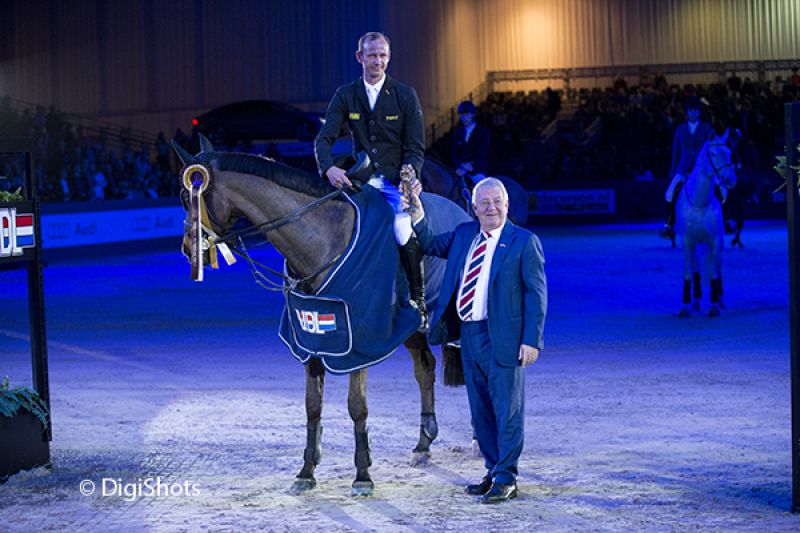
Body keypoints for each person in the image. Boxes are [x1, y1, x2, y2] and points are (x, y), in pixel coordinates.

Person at [402, 177, 547, 504]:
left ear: (507, 206)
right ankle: (493, 469)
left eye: (497, 202)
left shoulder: (525, 242)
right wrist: (416, 207)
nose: (491, 208)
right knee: (480, 410)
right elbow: (426, 242)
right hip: (467, 335)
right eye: (485, 203)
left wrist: (532, 340)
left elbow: (536, 295)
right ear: (474, 207)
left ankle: (507, 476)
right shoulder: (464, 234)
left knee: (506, 409)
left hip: (505, 337)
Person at [314, 31, 428, 324]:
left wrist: (411, 174)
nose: (377, 61)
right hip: (359, 178)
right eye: (372, 55)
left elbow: (415, 146)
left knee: (403, 228)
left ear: (388, 58)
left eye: (382, 56)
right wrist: (329, 168)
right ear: (359, 57)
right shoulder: (346, 94)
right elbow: (323, 140)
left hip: (393, 182)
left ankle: (418, 298)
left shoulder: (405, 95)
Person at [659, 96, 712, 243]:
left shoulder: (707, 129)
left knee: (722, 190)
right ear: (687, 113)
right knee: (669, 193)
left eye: (696, 111)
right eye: (691, 111)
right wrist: (673, 171)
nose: (693, 113)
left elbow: (710, 151)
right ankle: (668, 224)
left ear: (699, 112)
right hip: (683, 168)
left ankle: (726, 222)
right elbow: (675, 151)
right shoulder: (680, 130)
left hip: (702, 170)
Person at [452, 100, 490, 183]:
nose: (464, 118)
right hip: (460, 169)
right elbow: (454, 154)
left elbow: (482, 153)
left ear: (473, 114)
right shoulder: (458, 133)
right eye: (461, 115)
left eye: (466, 114)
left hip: (477, 170)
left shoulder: (483, 133)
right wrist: (460, 165)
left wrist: (473, 166)